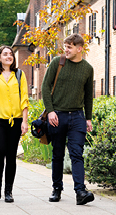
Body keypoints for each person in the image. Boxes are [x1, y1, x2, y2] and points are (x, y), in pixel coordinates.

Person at [41, 33, 95, 205]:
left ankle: (80, 191)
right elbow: (45, 86)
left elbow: (88, 95)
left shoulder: (88, 68)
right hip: (57, 115)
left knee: (76, 154)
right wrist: (50, 111)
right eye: (65, 46)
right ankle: (57, 189)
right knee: (57, 154)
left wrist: (88, 118)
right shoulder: (58, 63)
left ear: (79, 48)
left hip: (77, 116)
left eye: (69, 47)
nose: (66, 50)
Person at [0, 45, 28, 203]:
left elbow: (24, 100)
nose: (9, 56)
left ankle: (8, 190)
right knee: (0, 152)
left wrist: (25, 121)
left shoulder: (20, 75)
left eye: (11, 54)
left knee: (11, 155)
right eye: (5, 54)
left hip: (15, 120)